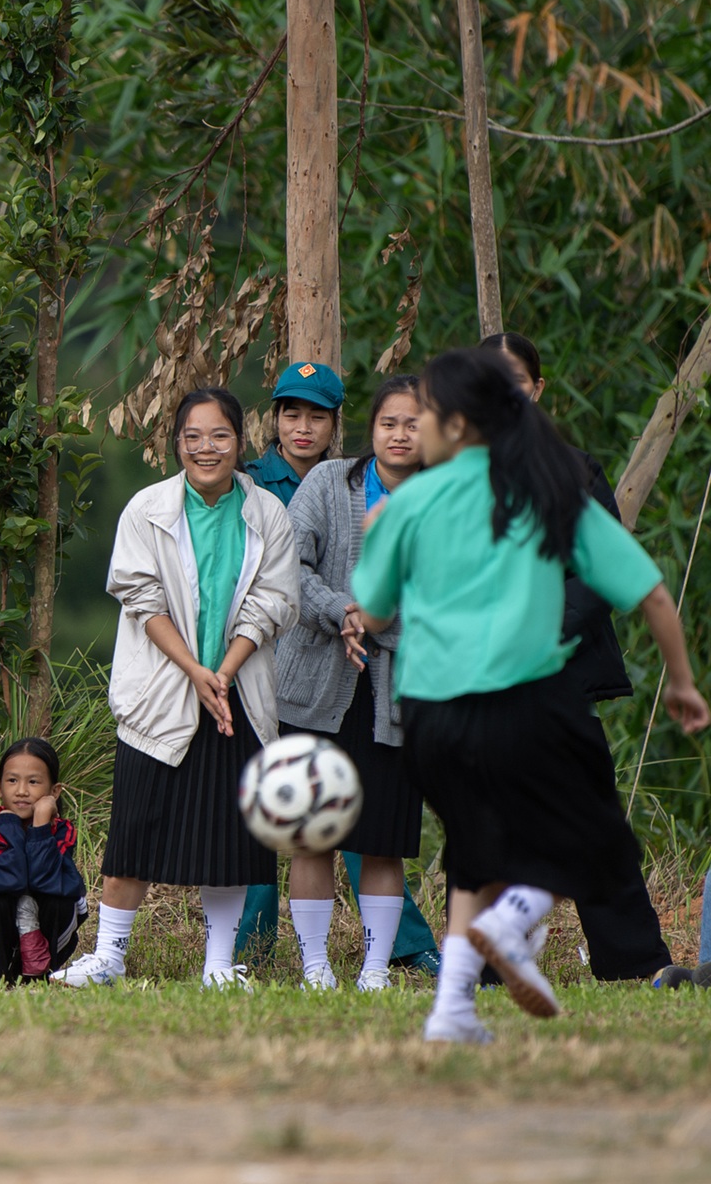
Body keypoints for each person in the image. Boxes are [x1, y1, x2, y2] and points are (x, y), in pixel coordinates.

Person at [350, 350, 709, 1042]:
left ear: (457, 425)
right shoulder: (550, 488)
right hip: (527, 701)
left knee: (475, 849)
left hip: (427, 713)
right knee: (594, 839)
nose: (410, 424)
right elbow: (652, 593)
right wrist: (684, 683)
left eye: (422, 412)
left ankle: (453, 1007)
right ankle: (514, 922)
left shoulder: (408, 503)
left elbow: (370, 613)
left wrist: (374, 544)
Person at [54, 387, 299, 991]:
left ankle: (218, 965)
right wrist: (196, 670)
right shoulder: (148, 508)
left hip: (239, 697)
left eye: (218, 436)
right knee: (136, 829)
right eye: (192, 437)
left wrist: (226, 669)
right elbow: (142, 597)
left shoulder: (267, 512)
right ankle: (108, 957)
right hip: (164, 689)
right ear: (177, 444)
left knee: (228, 838)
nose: (205, 448)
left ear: (240, 442)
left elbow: (273, 603)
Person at [478, 331, 675, 982]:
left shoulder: (577, 471)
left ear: (537, 390)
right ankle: (483, 964)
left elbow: (607, 574)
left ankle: (634, 962)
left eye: (517, 381)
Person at [236, 362, 439, 975]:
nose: (399, 435)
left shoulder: (442, 498)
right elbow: (291, 566)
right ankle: (315, 966)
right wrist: (342, 613)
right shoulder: (329, 481)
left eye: (413, 425)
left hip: (396, 690)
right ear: (370, 428)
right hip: (314, 684)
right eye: (388, 423)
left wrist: (376, 624)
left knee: (382, 837)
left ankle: (377, 968)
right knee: (308, 831)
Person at [0, 737, 88, 984]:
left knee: (61, 900)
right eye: (12, 780)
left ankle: (42, 975)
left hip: (46, 934)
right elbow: (7, 882)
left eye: (33, 782)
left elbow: (45, 881)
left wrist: (40, 826)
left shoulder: (61, 831)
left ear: (54, 791)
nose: (21, 791)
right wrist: (9, 825)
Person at [245, 361, 344, 504]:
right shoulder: (250, 480)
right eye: (292, 416)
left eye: (317, 418)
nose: (303, 428)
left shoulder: (347, 486)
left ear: (335, 424)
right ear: (276, 420)